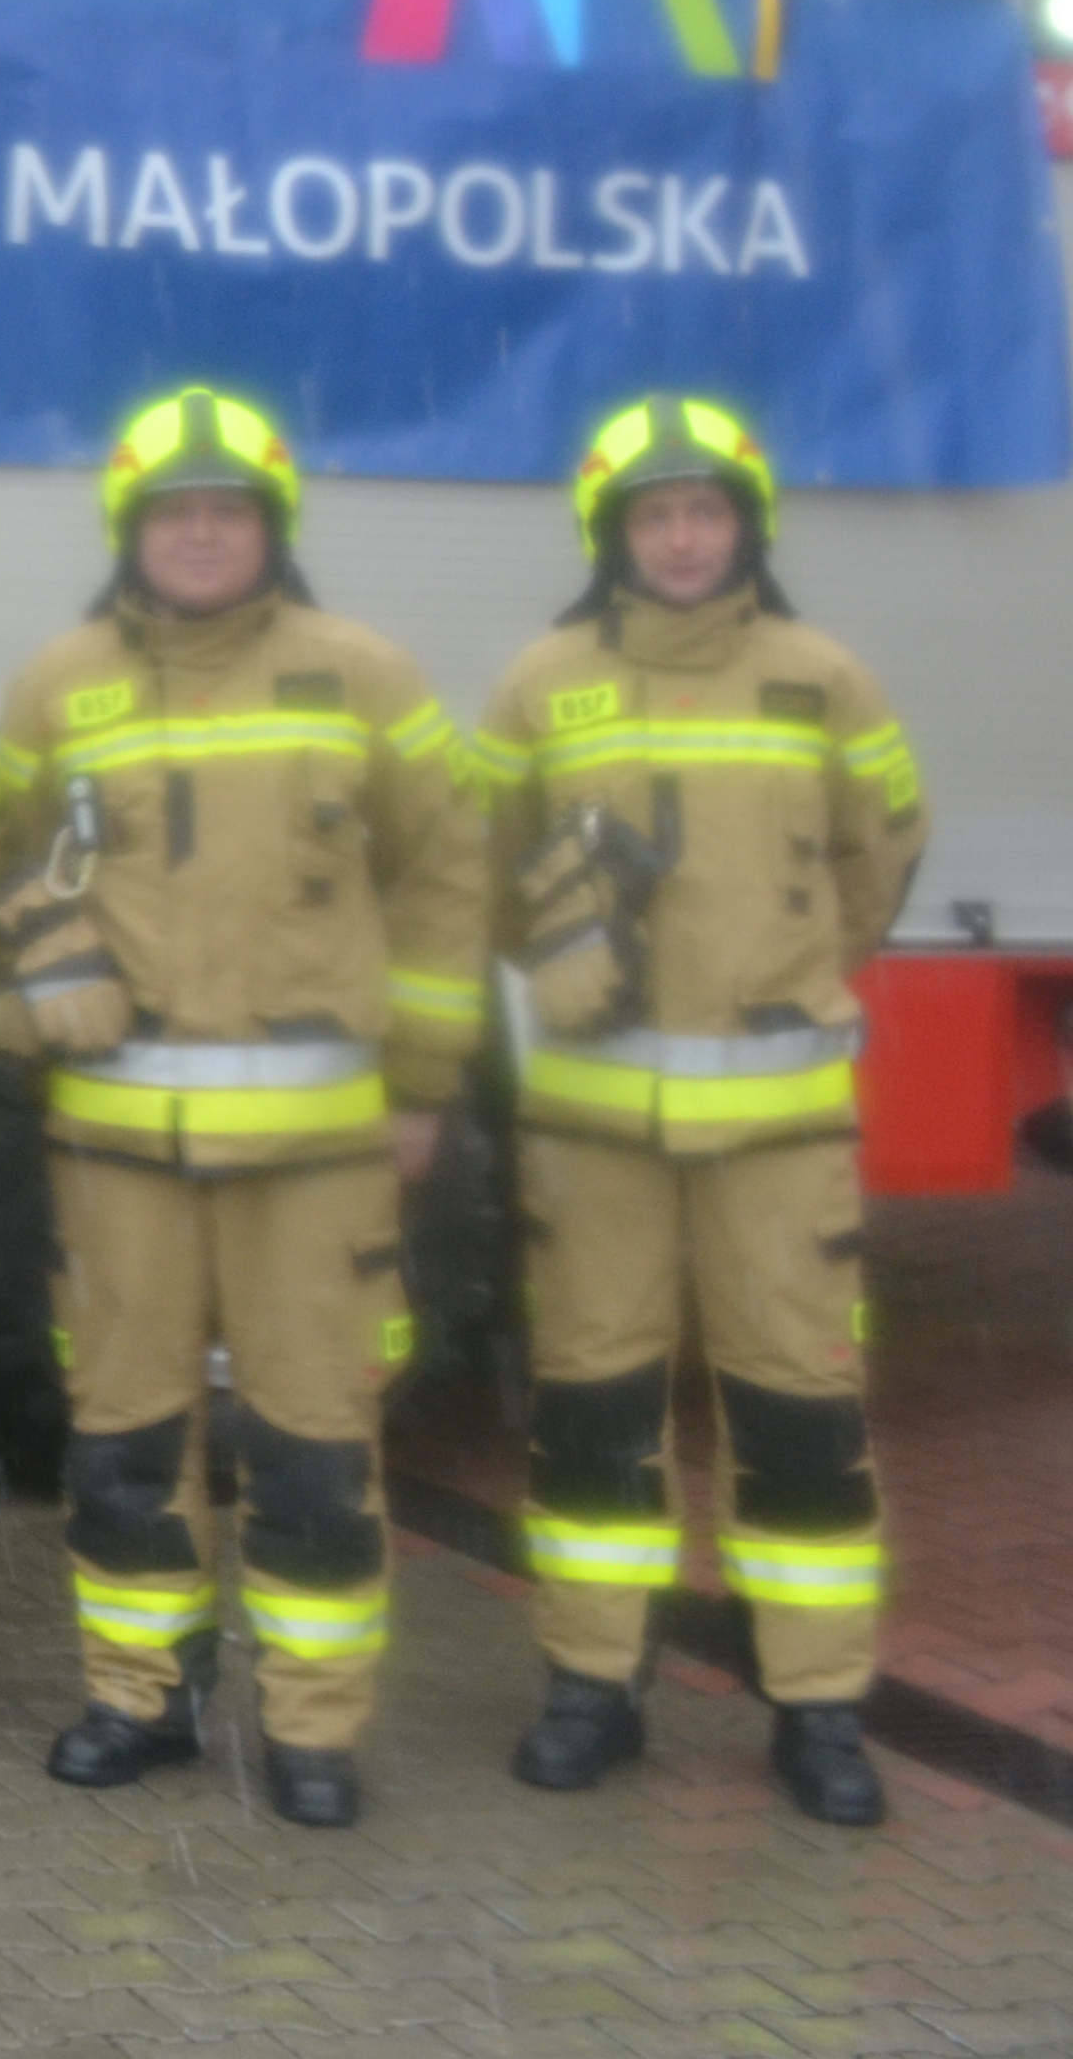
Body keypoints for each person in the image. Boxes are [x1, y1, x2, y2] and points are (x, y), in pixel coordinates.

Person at [0, 388, 484, 1831]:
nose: (201, 535)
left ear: (270, 527)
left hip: (318, 1155)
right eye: (174, 512)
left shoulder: (364, 677)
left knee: (315, 1443)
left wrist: (425, 1090)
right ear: (133, 530)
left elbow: (448, 884)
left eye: (228, 511)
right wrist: (29, 997)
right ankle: (140, 1697)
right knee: (126, 1436)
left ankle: (314, 1726)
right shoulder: (58, 686)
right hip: (117, 1152)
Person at [459, 395, 920, 1829]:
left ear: (745, 527)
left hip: (778, 1136)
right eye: (653, 514)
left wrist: (776, 975)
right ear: (615, 533)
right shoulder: (542, 681)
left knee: (801, 1416)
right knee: (594, 1416)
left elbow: (879, 856)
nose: (680, 535)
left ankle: (820, 1708)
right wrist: (562, 956)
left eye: (705, 511)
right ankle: (594, 1686)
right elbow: (482, 868)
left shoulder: (821, 678)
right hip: (595, 1136)